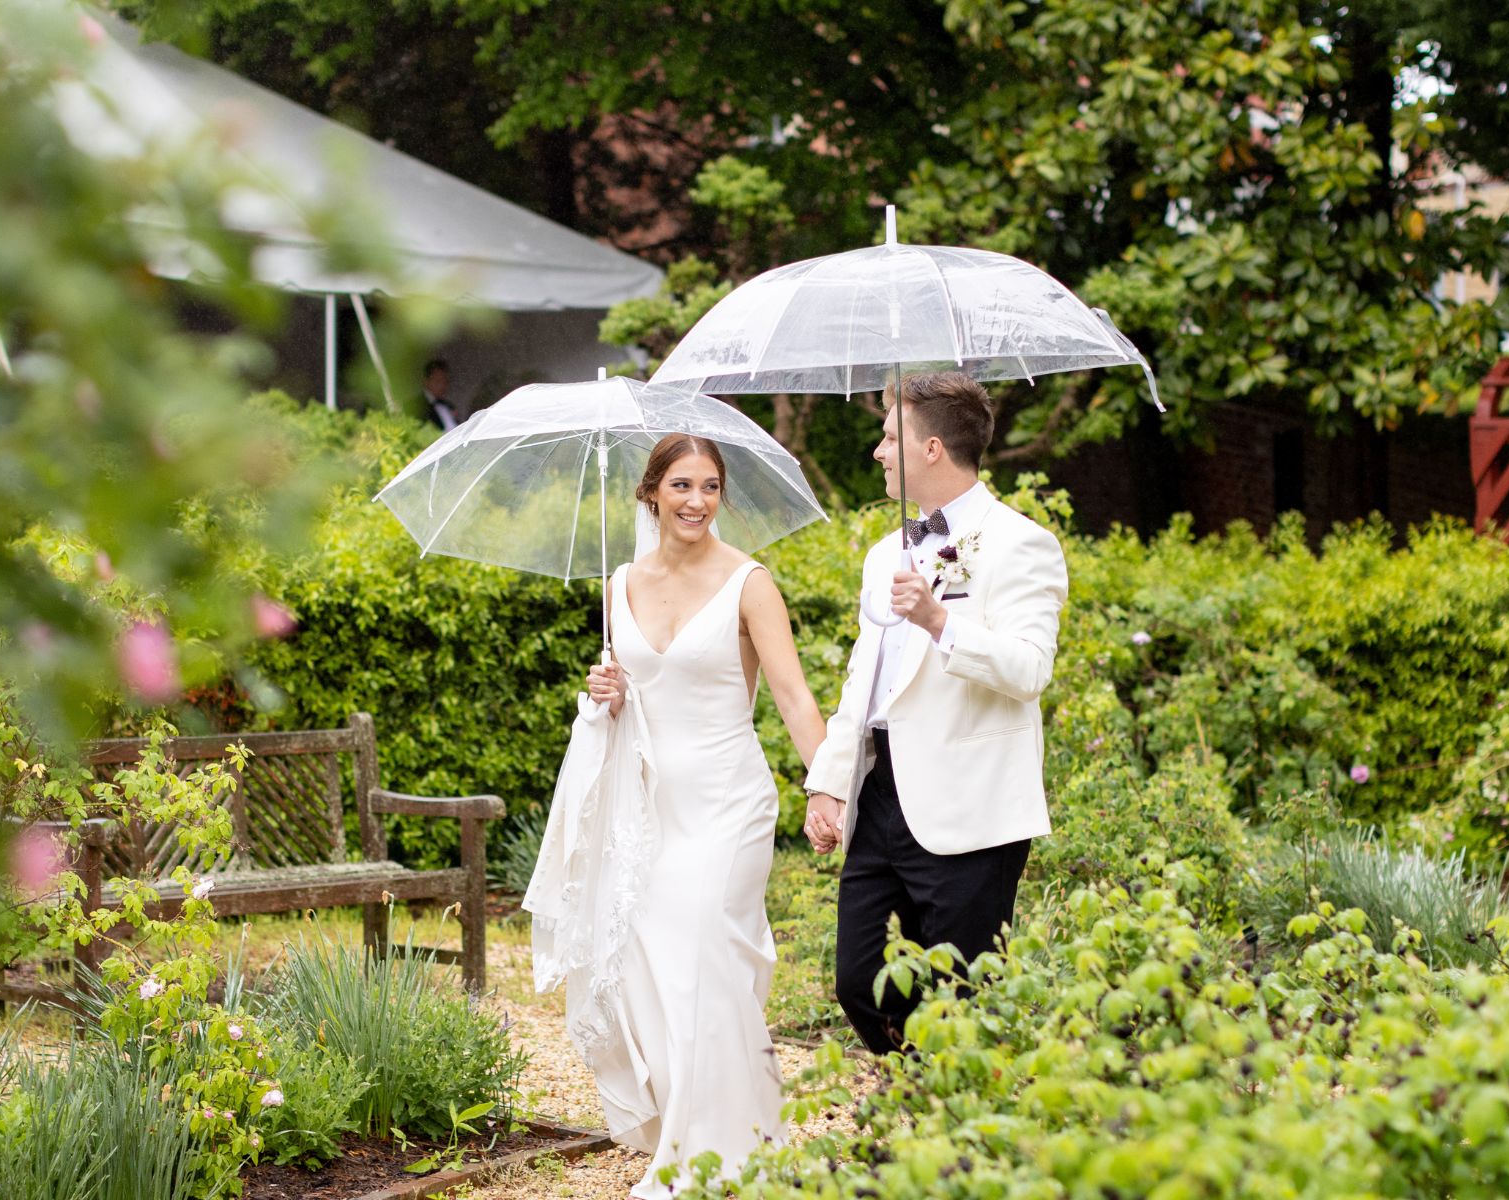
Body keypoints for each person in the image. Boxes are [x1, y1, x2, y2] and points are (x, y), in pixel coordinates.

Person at [524, 433, 829, 1199]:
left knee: (707, 961)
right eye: (683, 484)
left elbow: (791, 697)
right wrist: (610, 693)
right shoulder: (618, 581)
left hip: (728, 801)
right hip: (647, 806)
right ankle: (723, 1137)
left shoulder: (749, 582)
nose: (698, 501)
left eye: (712, 486)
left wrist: (827, 786)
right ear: (651, 491)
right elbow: (637, 692)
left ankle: (709, 1164)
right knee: (653, 970)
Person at [801, 371, 1068, 1056]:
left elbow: (1029, 669)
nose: (878, 451)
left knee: (962, 991)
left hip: (971, 805)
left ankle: (954, 1137)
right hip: (883, 793)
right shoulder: (884, 554)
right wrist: (830, 779)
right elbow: (867, 674)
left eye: (890, 436)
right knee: (862, 981)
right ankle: (922, 1094)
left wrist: (938, 622)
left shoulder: (1021, 544)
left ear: (932, 448)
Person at [419, 359, 459, 429]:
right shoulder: (416, 405)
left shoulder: (448, 405)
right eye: (438, 381)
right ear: (426, 381)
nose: (442, 385)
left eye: (445, 381)